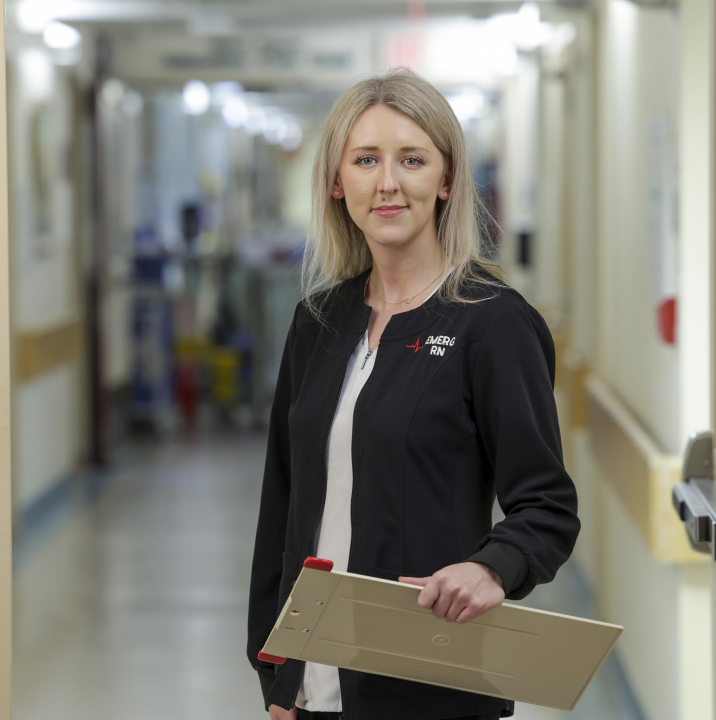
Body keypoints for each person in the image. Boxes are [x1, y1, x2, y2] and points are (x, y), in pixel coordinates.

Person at [247, 68, 580, 720]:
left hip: (431, 683)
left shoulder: (493, 324)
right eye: (366, 160)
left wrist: (492, 568)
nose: (389, 182)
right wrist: (274, 671)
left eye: (412, 159)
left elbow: (547, 506)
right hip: (313, 684)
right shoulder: (317, 323)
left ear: (447, 179)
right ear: (338, 183)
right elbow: (282, 508)